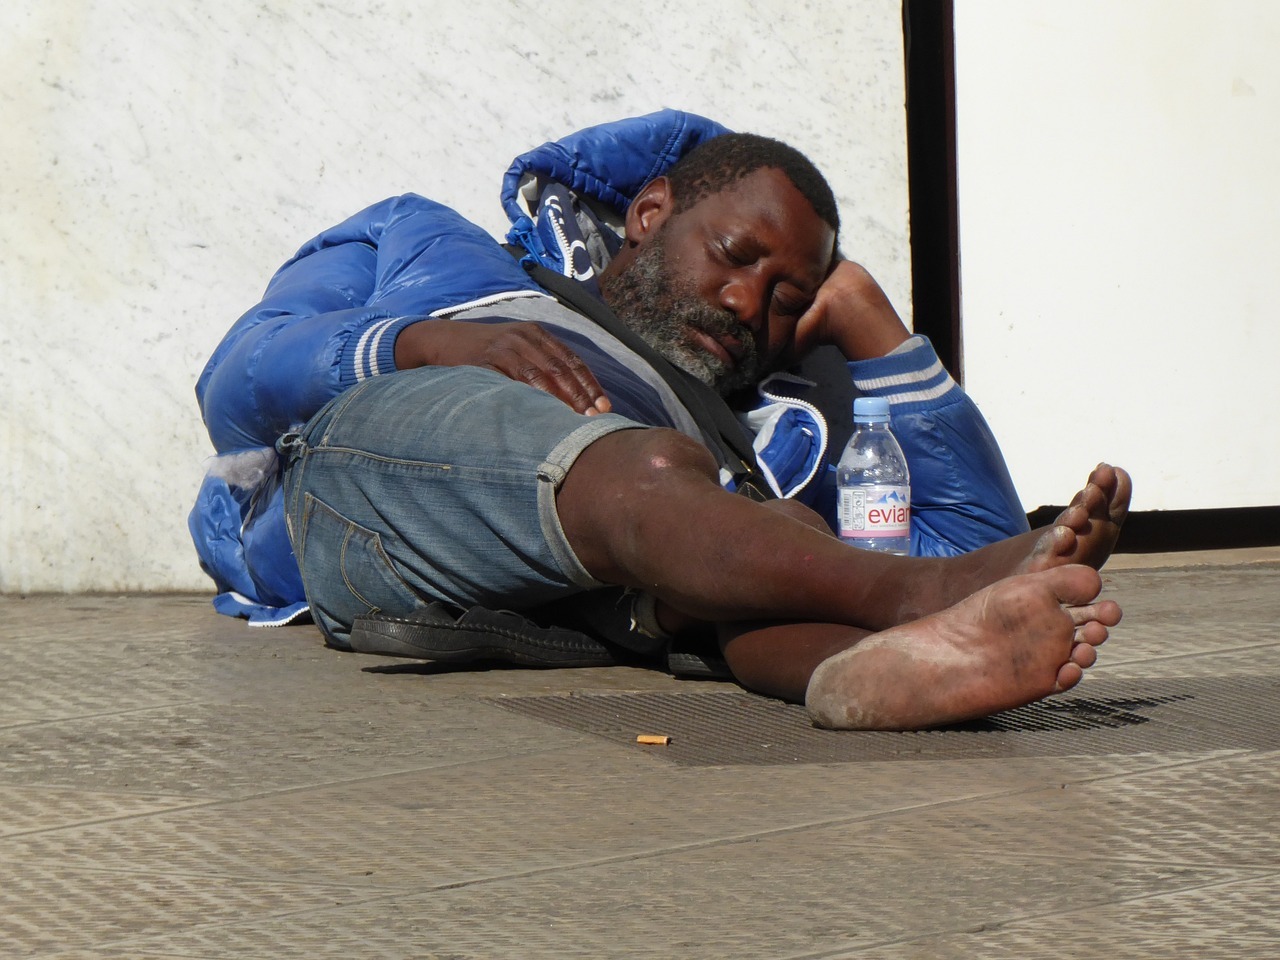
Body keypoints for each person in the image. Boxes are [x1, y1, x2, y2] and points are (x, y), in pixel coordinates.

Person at [191, 110, 1129, 729]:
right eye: (735, 254)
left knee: (767, 538)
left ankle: (869, 669)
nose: (746, 302)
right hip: (391, 484)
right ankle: (911, 600)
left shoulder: (765, 426)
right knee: (655, 477)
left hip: (626, 557)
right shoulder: (432, 250)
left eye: (786, 296)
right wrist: (431, 342)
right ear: (648, 213)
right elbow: (235, 383)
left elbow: (985, 545)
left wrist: (868, 317)